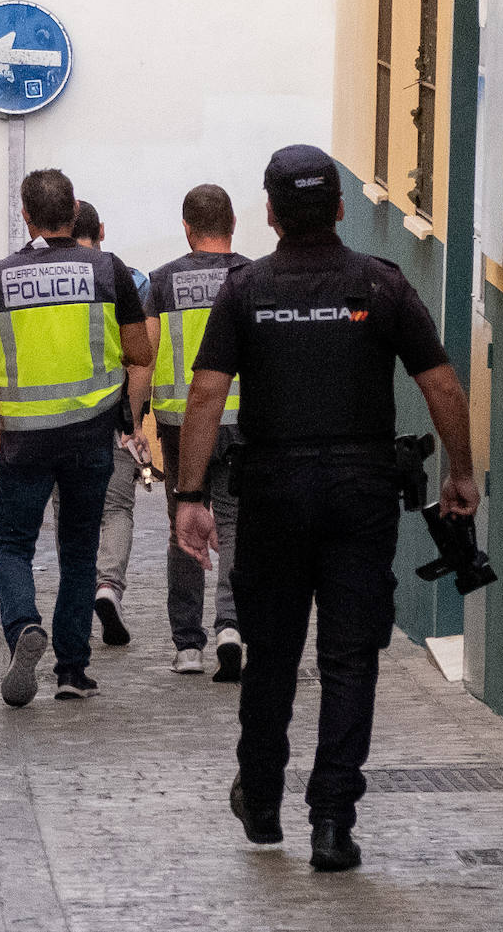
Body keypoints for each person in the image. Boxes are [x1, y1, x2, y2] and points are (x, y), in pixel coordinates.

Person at [174, 145, 479, 871]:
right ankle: (333, 823)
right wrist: (461, 470)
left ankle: (265, 803)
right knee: (349, 661)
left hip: (274, 492)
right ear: (341, 207)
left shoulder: (244, 291)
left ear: (271, 213)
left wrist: (189, 494)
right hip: (360, 492)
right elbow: (441, 385)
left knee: (271, 654)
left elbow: (207, 395)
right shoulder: (381, 284)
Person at [0, 169, 153, 706]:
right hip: (91, 437)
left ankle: (23, 625)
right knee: (79, 553)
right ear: (74, 210)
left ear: (26, 216)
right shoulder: (109, 271)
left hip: (25, 439)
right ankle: (72, 670)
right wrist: (127, 416)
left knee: (13, 546)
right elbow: (139, 353)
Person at [141, 184, 249, 680]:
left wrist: (134, 416)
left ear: (187, 228)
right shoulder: (253, 278)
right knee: (235, 526)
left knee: (182, 528)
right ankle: (231, 624)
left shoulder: (162, 282)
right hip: (245, 423)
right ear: (233, 224)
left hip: (182, 425)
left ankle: (188, 646)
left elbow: (144, 355)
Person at [70, 200, 152, 648]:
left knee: (71, 511)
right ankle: (108, 587)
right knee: (116, 508)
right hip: (116, 415)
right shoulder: (132, 279)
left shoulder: (51, 277)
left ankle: (78, 599)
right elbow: (142, 357)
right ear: (102, 228)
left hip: (63, 418)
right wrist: (135, 421)